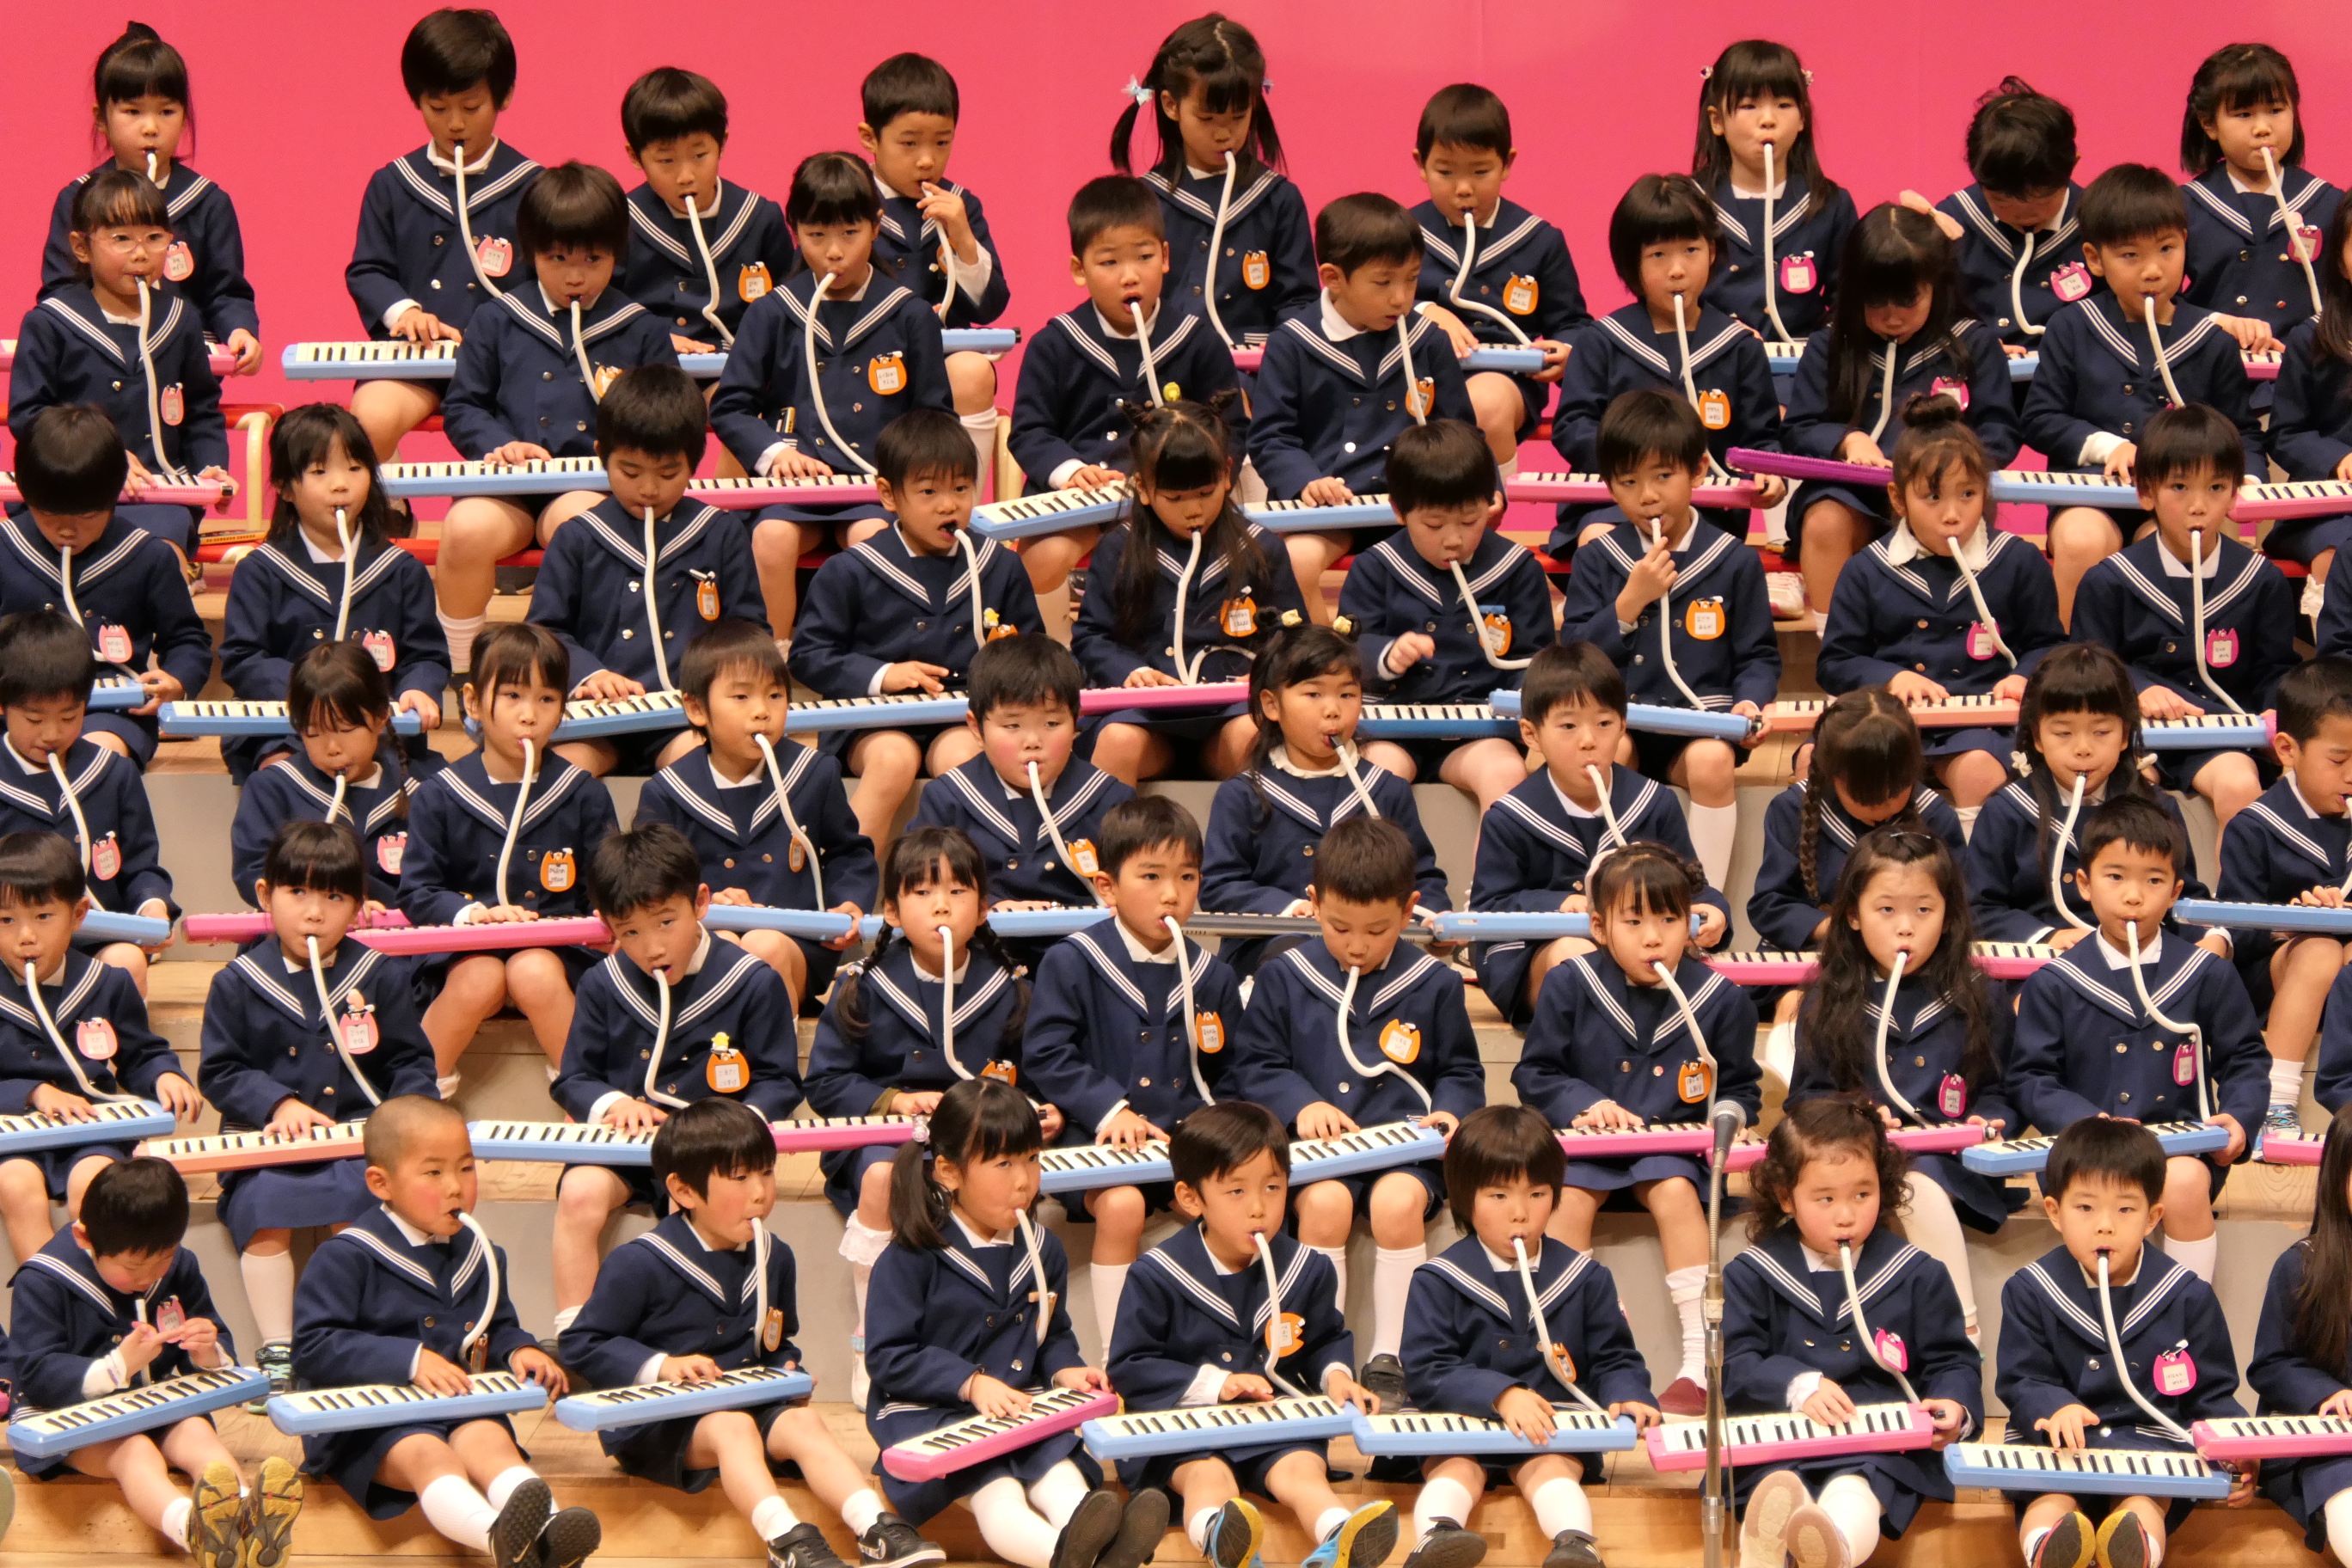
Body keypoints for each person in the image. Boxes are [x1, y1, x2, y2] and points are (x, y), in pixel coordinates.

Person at [559, 1098, 944, 1568]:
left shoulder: (775, 1255)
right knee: (733, 1428)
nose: (761, 1192)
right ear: (683, 1190)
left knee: (803, 1423)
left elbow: (776, 1341)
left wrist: (787, 1369)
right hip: (657, 1424)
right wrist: (662, 1366)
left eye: (767, 1172)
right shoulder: (638, 1261)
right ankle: (788, 1541)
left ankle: (878, 1529)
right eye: (740, 1178)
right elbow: (582, 1343)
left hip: (742, 1403)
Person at [1231, 816, 1483, 1407]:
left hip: (1405, 1154)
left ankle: (1392, 1354)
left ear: (1409, 910)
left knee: (1398, 1204)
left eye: (1378, 929)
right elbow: (1257, 1064)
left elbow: (1459, 1070)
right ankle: (1323, 1355)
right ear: (1314, 903)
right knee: (1324, 1204)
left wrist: (1450, 1112)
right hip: (1318, 1156)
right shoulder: (1283, 975)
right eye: (1340, 927)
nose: (1358, 945)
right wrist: (1302, 1105)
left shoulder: (1434, 984)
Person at [865, 1079, 1161, 1568]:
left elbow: (1052, 1333)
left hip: (1019, 1406)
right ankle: (1070, 1561)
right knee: (997, 1494)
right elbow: (889, 1357)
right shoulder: (910, 1257)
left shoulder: (1044, 1249)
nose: (1024, 1180)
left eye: (1032, 1159)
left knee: (1062, 1476)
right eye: (1003, 1164)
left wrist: (1066, 1369)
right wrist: (969, 1383)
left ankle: (1099, 1555)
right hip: (934, 1412)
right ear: (949, 1172)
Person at [290, 1096, 597, 1568]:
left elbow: (496, 1325)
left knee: (491, 1442)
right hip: (369, 1421)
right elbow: (314, 1346)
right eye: (433, 1172)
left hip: (455, 1404)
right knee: (429, 1455)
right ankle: (496, 1539)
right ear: (381, 1184)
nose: (456, 1187)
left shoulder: (483, 1253)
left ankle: (552, 1533)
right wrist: (409, 1360)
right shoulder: (347, 1255)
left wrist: (519, 1350)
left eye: (467, 1168)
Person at [1513, 841, 1761, 1415]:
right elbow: (1536, 1073)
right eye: (1634, 922)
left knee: (1675, 1192)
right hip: (1587, 1147)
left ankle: (1699, 1364)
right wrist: (1585, 1104)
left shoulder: (1721, 999)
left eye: (1669, 920)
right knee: (1568, 1201)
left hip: (1670, 1150)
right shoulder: (1570, 983)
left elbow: (1740, 1087)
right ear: (1600, 928)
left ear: (1690, 924)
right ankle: (1575, 1349)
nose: (1653, 938)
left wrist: (1731, 1117)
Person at [803, 827, 1043, 1406]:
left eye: (958, 892)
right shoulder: (862, 986)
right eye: (923, 892)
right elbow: (825, 1082)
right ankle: (872, 1336)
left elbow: (1031, 1073)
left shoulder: (1010, 988)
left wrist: (1037, 1109)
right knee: (883, 1177)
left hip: (976, 1139)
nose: (941, 906)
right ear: (891, 910)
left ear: (982, 909)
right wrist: (895, 1100)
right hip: (886, 1137)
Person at [197, 820, 436, 1393]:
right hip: (267, 1143)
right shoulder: (237, 982)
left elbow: (410, 1061)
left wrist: (399, 1116)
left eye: (333, 897)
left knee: (361, 1205)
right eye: (297, 892)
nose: (313, 912)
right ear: (265, 895)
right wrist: (277, 1104)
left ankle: (351, 1340)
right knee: (265, 1210)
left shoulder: (379, 975)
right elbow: (221, 1071)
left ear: (358, 906)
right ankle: (278, 1350)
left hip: (356, 1139)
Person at [1106, 1099, 1394, 1568]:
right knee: (1208, 1476)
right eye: (1236, 1191)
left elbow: (1324, 1341)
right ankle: (1221, 1540)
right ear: (1191, 1199)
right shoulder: (1156, 1274)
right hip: (1188, 1429)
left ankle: (1339, 1538)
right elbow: (1131, 1365)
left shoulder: (1308, 1268)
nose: (1259, 1207)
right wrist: (1218, 1384)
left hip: (1273, 1422)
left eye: (1273, 1187)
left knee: (1302, 1468)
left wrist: (1337, 1376)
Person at [544, 824, 804, 1332]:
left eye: (666, 922)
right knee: (579, 1193)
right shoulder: (602, 984)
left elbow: (779, 1080)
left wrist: (735, 1127)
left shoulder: (752, 981)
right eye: (630, 933)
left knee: (704, 1206)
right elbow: (574, 1077)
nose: (652, 948)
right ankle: (580, 1336)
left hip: (712, 1153)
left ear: (700, 902)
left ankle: (700, 1334)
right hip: (627, 1147)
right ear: (608, 927)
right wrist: (614, 1103)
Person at [2007, 796, 2269, 1284]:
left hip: (2180, 1152)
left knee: (2184, 1181)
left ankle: (2188, 1310)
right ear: (2084, 884)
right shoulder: (2055, 982)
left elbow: (2245, 1060)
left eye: (2153, 880)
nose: (2134, 896)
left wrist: (2240, 1116)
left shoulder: (2206, 973)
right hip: (2086, 1150)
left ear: (2175, 891)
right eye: (2115, 877)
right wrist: (2086, 1122)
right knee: (2094, 1194)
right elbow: (2031, 1077)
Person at [434, 161, 677, 674]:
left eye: (593, 259)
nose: (575, 275)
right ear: (531, 252)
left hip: (591, 488)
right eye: (557, 258)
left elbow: (667, 415)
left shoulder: (642, 329)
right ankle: (460, 669)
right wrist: (498, 444)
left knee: (579, 525)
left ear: (618, 253)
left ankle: (563, 666)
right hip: (509, 489)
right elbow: (462, 406)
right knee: (464, 529)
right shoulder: (496, 318)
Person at [1022, 795, 1244, 1349]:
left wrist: (1210, 1129)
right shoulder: (1073, 960)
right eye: (1151, 876)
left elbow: (1227, 1070)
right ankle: (1122, 1354)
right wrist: (1110, 1109)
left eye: (1187, 877)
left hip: (1181, 1139)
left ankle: (1218, 1343)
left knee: (1234, 1201)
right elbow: (1047, 1054)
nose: (1172, 893)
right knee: (1122, 1204)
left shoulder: (1212, 974)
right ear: (1107, 887)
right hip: (1094, 1134)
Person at [1398, 1104, 1657, 1568]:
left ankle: (1575, 1546)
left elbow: (1615, 1358)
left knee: (1552, 1467)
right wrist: (1500, 1394)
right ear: (1465, 1198)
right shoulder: (1437, 1279)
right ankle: (1437, 1540)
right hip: (1462, 1426)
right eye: (1499, 1196)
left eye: (1537, 1194)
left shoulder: (1586, 1278)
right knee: (1456, 1467)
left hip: (1549, 1428)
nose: (1520, 1213)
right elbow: (1426, 1368)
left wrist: (1629, 1393)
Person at [709, 150, 953, 641]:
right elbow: (730, 406)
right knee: (771, 537)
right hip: (792, 492)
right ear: (795, 230)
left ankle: (865, 659)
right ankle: (773, 661)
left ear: (876, 226)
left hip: (873, 492)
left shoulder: (909, 314)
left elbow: (935, 418)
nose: (834, 252)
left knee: (872, 538)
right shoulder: (772, 312)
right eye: (817, 235)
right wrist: (776, 454)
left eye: (850, 233)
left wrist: (896, 471)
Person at [8, 1157, 301, 1564]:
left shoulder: (179, 1266)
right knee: (136, 1453)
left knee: (198, 1434)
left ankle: (251, 1521)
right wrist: (115, 1367)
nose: (149, 1277)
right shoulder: (43, 1280)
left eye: (163, 1259)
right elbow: (34, 1374)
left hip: (153, 1404)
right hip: (68, 1421)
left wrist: (207, 1351)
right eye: (132, 1266)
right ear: (84, 1237)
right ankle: (194, 1531)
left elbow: (215, 1337)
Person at [1724, 1101, 1980, 1568]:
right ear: (1786, 1197)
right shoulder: (1751, 1274)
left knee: (1856, 1485)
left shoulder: (1917, 1273)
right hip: (1781, 1435)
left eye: (1863, 1194)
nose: (1846, 1215)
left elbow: (1952, 1360)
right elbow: (1736, 1363)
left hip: (1879, 1442)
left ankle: (1833, 1551)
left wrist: (1954, 1405)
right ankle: (1767, 1551)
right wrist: (1797, 1384)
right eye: (1825, 1199)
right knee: (1775, 1485)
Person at [1786, 828, 2018, 1338]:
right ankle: (1950, 1334)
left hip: (1954, 1163)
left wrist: (1991, 1119)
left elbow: (2001, 1088)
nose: (1906, 928)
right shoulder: (1828, 997)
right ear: (1853, 915)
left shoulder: (1981, 994)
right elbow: (1806, 1096)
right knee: (1897, 1184)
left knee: (1918, 1183)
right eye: (1886, 910)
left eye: (1924, 910)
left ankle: (1961, 1336)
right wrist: (1853, 1116)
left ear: (1949, 915)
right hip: (1861, 1160)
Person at [1994, 1118, 2255, 1568]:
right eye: (2085, 1208)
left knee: (2146, 1499)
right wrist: (2055, 1405)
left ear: (2153, 1217)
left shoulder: (2187, 1295)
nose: (2105, 1226)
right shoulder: (2029, 1290)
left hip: (2150, 1442)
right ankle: (2048, 1548)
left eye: (2126, 1210)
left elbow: (2212, 1393)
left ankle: (2134, 1551)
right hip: (2058, 1443)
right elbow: (2022, 1377)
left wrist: (2237, 1446)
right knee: (2049, 1497)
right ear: (2055, 1212)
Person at [2020, 162, 2264, 621]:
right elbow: (2040, 418)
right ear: (2095, 259)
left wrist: (2245, 482)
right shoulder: (2071, 327)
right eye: (2130, 255)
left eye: (2167, 249)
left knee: (2179, 547)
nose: (2153, 271)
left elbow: (2242, 431)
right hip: (2090, 496)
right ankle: (2074, 662)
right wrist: (2107, 446)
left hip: (2181, 502)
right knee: (2082, 541)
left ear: (2185, 243)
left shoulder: (2212, 340)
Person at [1559, 389, 1778, 890]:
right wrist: (1628, 603)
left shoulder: (1734, 559)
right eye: (1628, 482)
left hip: (1702, 725)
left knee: (1712, 761)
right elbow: (1574, 658)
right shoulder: (1597, 558)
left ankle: (1705, 900)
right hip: (1624, 721)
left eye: (1663, 476)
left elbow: (1759, 656)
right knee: (1604, 755)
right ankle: (1604, 892)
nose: (1648, 496)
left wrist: (1749, 702)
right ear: (1609, 486)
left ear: (1698, 471)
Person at [792, 408, 1040, 843]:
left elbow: (1032, 651)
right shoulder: (850, 569)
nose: (949, 505)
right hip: (874, 723)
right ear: (888, 495)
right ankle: (846, 877)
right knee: (893, 759)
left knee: (966, 760)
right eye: (928, 492)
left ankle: (971, 879)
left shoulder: (1000, 565)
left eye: (961, 488)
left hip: (962, 719)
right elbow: (808, 656)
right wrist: (884, 675)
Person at [1814, 401, 2060, 818]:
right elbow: (1835, 662)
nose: (1952, 515)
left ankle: (1979, 861)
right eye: (1932, 497)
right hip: (1886, 723)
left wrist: (2022, 676)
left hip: (1981, 725)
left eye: (1968, 495)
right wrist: (1892, 677)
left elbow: (2047, 645)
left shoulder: (2018, 560)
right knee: (1814, 762)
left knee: (1978, 769)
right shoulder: (1866, 568)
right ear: (1898, 498)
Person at [397, 623, 618, 1083]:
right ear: (474, 702)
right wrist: (471, 915)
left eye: (546, 699)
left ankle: (587, 1093)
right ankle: (417, 1094)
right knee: (479, 976)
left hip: (559, 956)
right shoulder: (439, 794)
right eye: (513, 696)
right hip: (465, 952)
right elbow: (418, 891)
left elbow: (605, 886)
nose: (529, 715)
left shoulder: (583, 793)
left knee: (532, 970)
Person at [1006, 174, 1243, 601]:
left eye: (1144, 257)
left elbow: (1233, 430)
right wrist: (1070, 471)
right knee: (1041, 561)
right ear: (1079, 270)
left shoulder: (1198, 341)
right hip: (1080, 505)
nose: (1130, 276)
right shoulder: (1054, 344)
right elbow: (1029, 431)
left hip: (1176, 503)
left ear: (1165, 257)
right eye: (1109, 263)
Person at [1467, 641, 1728, 1027]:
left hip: (1638, 945)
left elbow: (1691, 885)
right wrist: (1559, 903)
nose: (1588, 740)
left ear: (1623, 725)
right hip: (1537, 953)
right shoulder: (1510, 817)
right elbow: (1490, 908)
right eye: (1568, 726)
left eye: (1604, 724)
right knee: (1575, 956)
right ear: (1531, 734)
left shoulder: (1654, 803)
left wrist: (1714, 910)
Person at [524, 364, 763, 777]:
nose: (649, 489)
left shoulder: (721, 533)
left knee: (702, 772)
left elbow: (748, 629)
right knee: (560, 777)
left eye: (669, 473)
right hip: (598, 718)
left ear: (694, 463)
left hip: (685, 717)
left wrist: (709, 685)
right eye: (630, 472)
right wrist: (590, 675)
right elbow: (544, 631)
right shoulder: (578, 536)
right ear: (602, 454)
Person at [1779, 208, 2019, 613]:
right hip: (1850, 494)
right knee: (1824, 521)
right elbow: (1798, 429)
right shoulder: (1830, 343)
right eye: (1875, 301)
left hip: (1941, 494)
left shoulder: (1973, 343)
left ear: (1936, 284)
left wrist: (1945, 461)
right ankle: (1832, 641)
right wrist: (1847, 440)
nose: (1892, 316)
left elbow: (2001, 433)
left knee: (1947, 522)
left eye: (1908, 299)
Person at [2070, 401, 2295, 832]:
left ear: (2235, 493)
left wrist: (2275, 714)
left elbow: (2274, 670)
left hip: (2221, 739)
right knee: (2128, 794)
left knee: (2239, 785)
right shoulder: (2109, 580)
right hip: (2130, 735)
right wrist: (2138, 689)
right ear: (2146, 493)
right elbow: (2087, 668)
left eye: (2216, 487)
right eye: (2179, 487)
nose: (2198, 506)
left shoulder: (2261, 580)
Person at [1247, 193, 1474, 615]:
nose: (1401, 298)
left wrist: (1486, 488)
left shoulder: (1428, 340)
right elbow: (1272, 438)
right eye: (1384, 283)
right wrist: (1307, 482)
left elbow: (1461, 433)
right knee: (1297, 561)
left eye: (1411, 279)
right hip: (1332, 513)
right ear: (1333, 278)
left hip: (1415, 510)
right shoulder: (1292, 343)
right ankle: (1325, 653)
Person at [634, 620, 875, 1007]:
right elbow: (653, 885)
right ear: (696, 708)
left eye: (775, 695)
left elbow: (849, 852)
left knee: (765, 944)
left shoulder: (814, 772)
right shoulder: (666, 791)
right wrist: (706, 902)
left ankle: (773, 1048)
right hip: (707, 936)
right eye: (741, 697)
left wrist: (849, 902)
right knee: (722, 945)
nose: (763, 711)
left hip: (795, 943)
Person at [1545, 175, 1785, 559]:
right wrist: (1641, 459)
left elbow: (1761, 437)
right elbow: (1573, 427)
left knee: (1720, 558)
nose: (1677, 270)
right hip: (1616, 505)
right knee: (1602, 543)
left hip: (1707, 508)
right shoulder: (1602, 341)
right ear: (1632, 263)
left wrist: (1766, 470)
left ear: (1712, 251)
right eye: (1658, 255)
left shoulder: (1740, 347)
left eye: (1691, 250)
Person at [1073, 398, 1306, 784]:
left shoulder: (1261, 547)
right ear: (1143, 488)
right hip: (1146, 717)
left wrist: (1264, 669)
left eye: (1205, 492)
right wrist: (1133, 672)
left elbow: (1294, 636)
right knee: (1117, 741)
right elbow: (1091, 636)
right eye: (1175, 499)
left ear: (1227, 474)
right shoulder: (1118, 548)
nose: (1193, 510)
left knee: (1251, 736)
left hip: (1230, 713)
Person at [1200, 623, 1450, 978]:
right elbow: (1219, 886)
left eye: (1347, 694)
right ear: (1271, 705)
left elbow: (1420, 875)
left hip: (1370, 952)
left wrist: (1436, 918)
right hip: (1268, 955)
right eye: (1313, 694)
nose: (1333, 710)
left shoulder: (1386, 790)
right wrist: (1288, 907)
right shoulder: (1242, 794)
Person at [346, 9, 538, 470]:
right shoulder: (393, 183)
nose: (455, 124)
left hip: (508, 364)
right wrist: (405, 313)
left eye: (471, 108)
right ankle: (390, 503)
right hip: (419, 361)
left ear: (504, 96)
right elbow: (368, 270)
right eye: (438, 108)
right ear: (417, 99)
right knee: (367, 422)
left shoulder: (535, 188)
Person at [0, 830, 197, 1268]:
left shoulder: (107, 983)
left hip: (91, 1131)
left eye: (43, 916)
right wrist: (32, 1093)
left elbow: (141, 1053)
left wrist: (165, 1074)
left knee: (93, 1185)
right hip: (13, 1138)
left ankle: (94, 1291)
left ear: (78, 914)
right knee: (15, 1185)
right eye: (6, 920)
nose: (25, 936)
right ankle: (48, 1292)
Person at [220, 401, 445, 782]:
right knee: (281, 776)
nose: (341, 484)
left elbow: (426, 655)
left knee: (421, 786)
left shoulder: (401, 570)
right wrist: (314, 693)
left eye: (355, 468)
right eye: (319, 472)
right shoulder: (260, 571)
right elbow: (242, 658)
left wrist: (419, 688)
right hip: (289, 726)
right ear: (285, 487)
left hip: (376, 728)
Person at [1340, 419, 1552, 818]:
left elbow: (1535, 660)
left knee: (1505, 774)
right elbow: (1349, 650)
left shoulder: (1518, 569)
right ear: (1399, 511)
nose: (1453, 539)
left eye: (1470, 521)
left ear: (1492, 503)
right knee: (1374, 782)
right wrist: (1389, 654)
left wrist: (1520, 696)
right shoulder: (1375, 566)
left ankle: (1495, 864)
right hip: (1394, 728)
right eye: (1434, 524)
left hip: (1479, 733)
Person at [9, 169, 229, 554]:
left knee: (162, 554)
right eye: (121, 239)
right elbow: (29, 414)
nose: (141, 254)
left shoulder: (181, 319)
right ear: (82, 247)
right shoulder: (49, 321)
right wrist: (103, 459)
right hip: (66, 491)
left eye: (154, 238)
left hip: (156, 493)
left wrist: (211, 468)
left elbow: (201, 412)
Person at [1966, 644, 2226, 951]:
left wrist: (2215, 939)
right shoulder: (2007, 811)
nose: (2083, 749)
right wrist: (2047, 937)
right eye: (2063, 733)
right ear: (2037, 737)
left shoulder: (2156, 806)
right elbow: (1978, 908)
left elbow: (2183, 900)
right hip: (2043, 962)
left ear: (2125, 735)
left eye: (2101, 732)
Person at [0, 403, 211, 769]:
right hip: (16, 709)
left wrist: (176, 680)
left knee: (97, 760)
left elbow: (187, 639)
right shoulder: (5, 548)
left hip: (112, 712)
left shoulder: (147, 555)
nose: (67, 530)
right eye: (48, 514)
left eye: (86, 516)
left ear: (115, 496)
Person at [908, 634, 1136, 971]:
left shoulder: (1109, 798)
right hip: (978, 961)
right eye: (1012, 725)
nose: (1032, 741)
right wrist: (985, 908)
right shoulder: (948, 798)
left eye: (1052, 723)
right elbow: (921, 889)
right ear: (976, 728)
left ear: (1076, 722)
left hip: (1084, 963)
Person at [40, 23, 260, 371]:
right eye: (133, 112)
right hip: (98, 366)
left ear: (184, 116)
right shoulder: (78, 199)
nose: (151, 128)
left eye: (166, 112)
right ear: (101, 119)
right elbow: (60, 290)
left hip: (183, 367)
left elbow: (225, 292)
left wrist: (240, 331)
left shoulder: (208, 203)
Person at [1111, 15, 1316, 358]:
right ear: (1171, 105)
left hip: (1253, 372)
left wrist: (1280, 364)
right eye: (1207, 119)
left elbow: (1298, 302)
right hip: (1167, 364)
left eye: (1238, 117)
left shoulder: (1278, 199)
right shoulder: (1143, 201)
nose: (1224, 134)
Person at [1407, 83, 1583, 471]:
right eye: (1445, 172)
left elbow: (1571, 322)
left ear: (1507, 164)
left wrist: (1566, 351)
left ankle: (1490, 503)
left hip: (1504, 379)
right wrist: (1422, 311)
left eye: (1480, 171)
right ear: (1421, 164)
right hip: (1415, 374)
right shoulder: (1401, 234)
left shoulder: (1539, 239)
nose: (1463, 189)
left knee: (1483, 404)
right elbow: (1365, 307)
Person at [857, 52, 1013, 489]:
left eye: (942, 143)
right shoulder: (849, 202)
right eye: (909, 144)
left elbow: (991, 306)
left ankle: (965, 506)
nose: (927, 160)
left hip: (942, 362)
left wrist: (964, 241)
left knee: (973, 371)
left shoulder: (961, 205)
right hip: (862, 357)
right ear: (870, 138)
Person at [0, 609, 176, 989]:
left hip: (93, 941)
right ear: (3, 706)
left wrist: (152, 906)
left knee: (126, 962)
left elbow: (141, 866)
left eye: (69, 717)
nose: (52, 734)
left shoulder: (113, 773)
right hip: (10, 943)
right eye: (34, 720)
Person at [2216, 656, 2352, 1132]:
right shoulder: (2255, 826)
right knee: (2319, 951)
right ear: (2288, 749)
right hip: (2280, 973)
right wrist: (2292, 921)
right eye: (2339, 760)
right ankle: (2274, 1099)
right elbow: (2238, 929)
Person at [616, 67, 793, 357]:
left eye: (700, 155)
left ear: (722, 144)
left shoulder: (759, 218)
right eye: (666, 160)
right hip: (652, 366)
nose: (686, 176)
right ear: (635, 156)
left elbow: (788, 305)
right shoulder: (619, 222)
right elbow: (602, 308)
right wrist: (651, 338)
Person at [229, 643, 419, 910]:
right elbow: (254, 873)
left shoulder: (421, 790)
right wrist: (338, 905)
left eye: (346, 729)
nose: (332, 748)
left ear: (380, 718)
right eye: (314, 733)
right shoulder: (272, 788)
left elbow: (435, 881)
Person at [1692, 39, 1855, 344]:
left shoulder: (1831, 204)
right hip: (1712, 359)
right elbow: (1668, 300)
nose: (1768, 120)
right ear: (1717, 121)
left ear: (1802, 118)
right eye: (1749, 106)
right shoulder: (1690, 202)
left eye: (1784, 105)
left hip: (1803, 362)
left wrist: (1818, 349)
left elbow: (1848, 302)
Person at [2177, 43, 2338, 346]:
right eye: (2244, 114)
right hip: (2215, 364)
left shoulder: (2330, 204)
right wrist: (2219, 322)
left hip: (2305, 365)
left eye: (2276, 110)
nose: (2263, 128)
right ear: (2209, 124)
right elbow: (2162, 305)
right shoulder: (2182, 208)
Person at [2247, 1101, 2352, 1560]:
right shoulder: (2300, 1266)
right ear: (2337, 1179)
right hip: (2327, 1450)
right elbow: (2271, 1365)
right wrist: (2328, 1394)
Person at [1926, 77, 2096, 355]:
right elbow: (1928, 316)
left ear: (2073, 164)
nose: (2022, 213)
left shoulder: (2099, 222)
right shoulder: (1951, 223)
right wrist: (1968, 346)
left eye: (2041, 200)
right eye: (2002, 200)